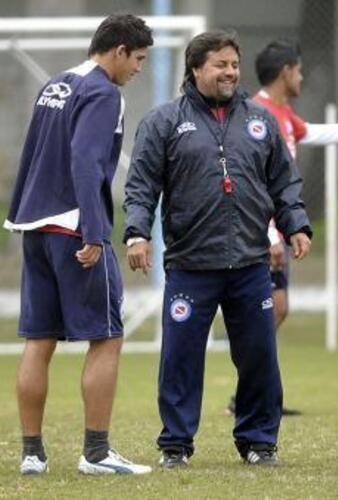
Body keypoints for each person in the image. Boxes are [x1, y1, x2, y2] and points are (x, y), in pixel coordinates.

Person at [123, 31, 311, 469]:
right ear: (195, 69)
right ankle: (175, 444)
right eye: (220, 65)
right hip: (191, 264)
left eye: (234, 64)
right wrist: (136, 233)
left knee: (259, 356)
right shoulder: (163, 122)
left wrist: (296, 224)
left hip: (249, 263)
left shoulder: (258, 120)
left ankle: (259, 441)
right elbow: (141, 185)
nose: (230, 72)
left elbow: (284, 182)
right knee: (180, 358)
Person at [3, 14, 153, 476]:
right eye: (139, 59)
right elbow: (85, 161)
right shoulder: (104, 93)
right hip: (74, 230)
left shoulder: (58, 83)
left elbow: (31, 151)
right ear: (120, 49)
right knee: (107, 336)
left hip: (34, 226)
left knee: (39, 339)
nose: (139, 69)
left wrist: (19, 214)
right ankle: (97, 453)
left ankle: (32, 454)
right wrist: (93, 232)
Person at [225, 38, 338, 417]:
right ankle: (251, 395)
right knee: (270, 309)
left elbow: (316, 133)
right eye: (299, 70)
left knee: (277, 309)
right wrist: (268, 235)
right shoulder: (256, 114)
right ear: (287, 71)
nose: (301, 76)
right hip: (257, 233)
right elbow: (253, 182)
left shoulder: (283, 115)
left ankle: (253, 393)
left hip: (274, 234)